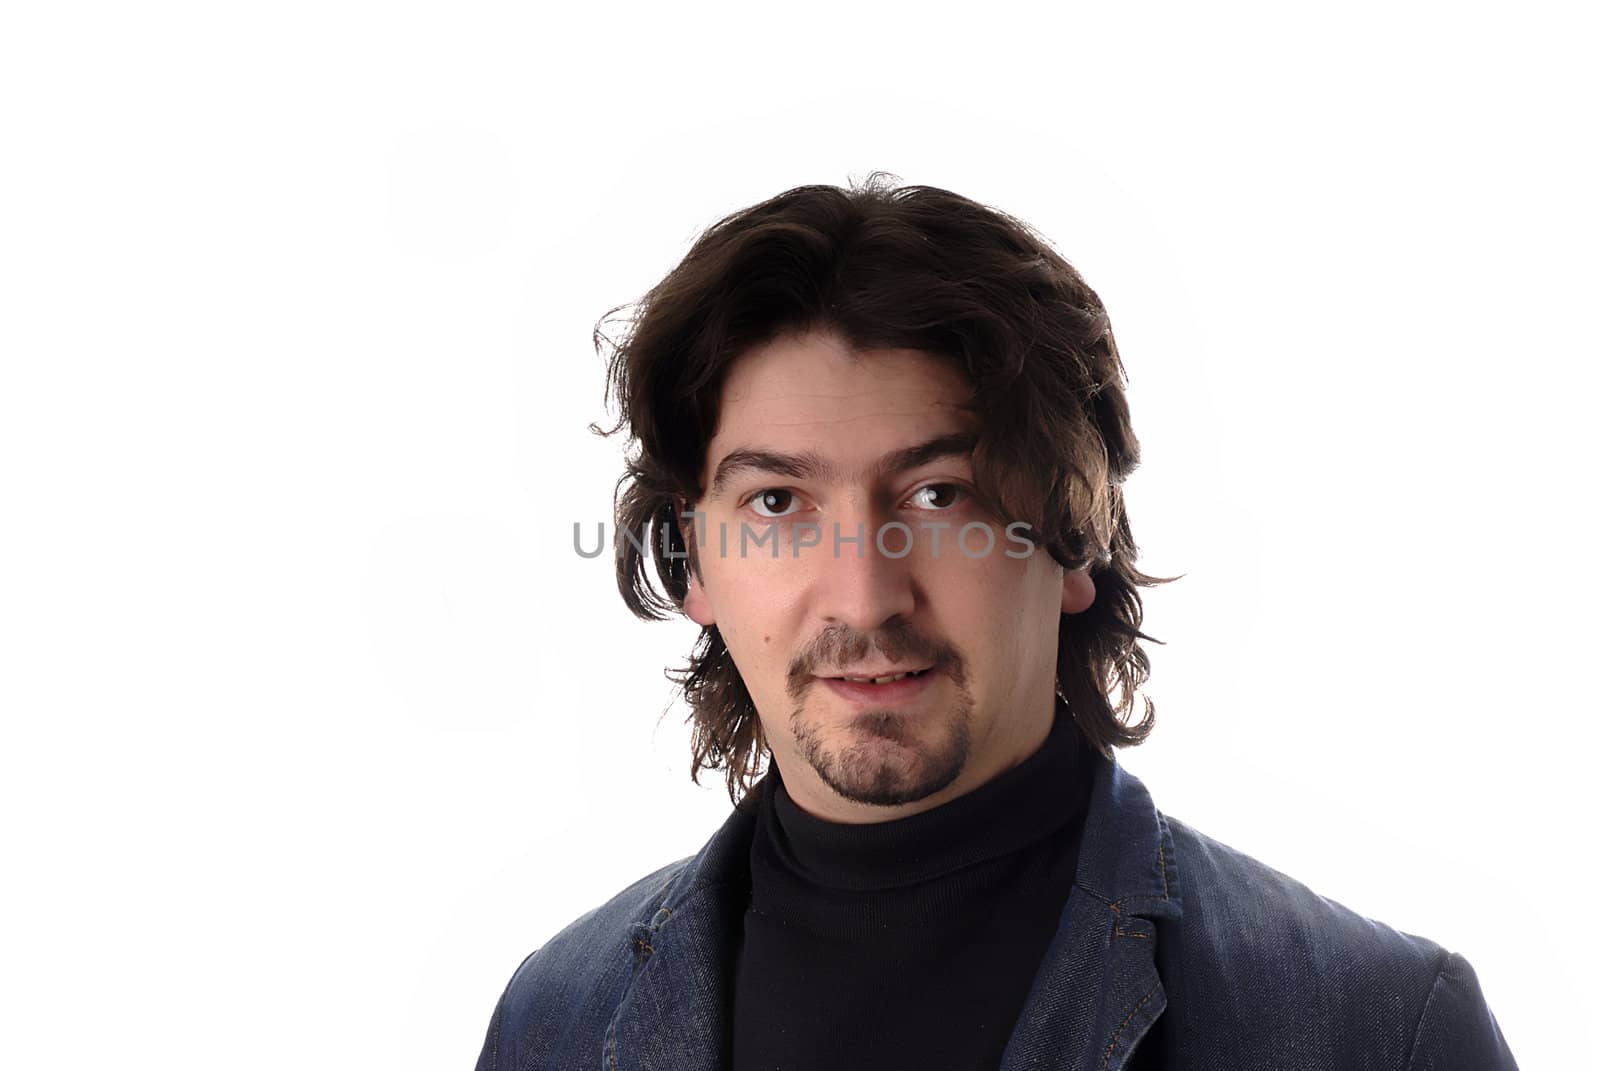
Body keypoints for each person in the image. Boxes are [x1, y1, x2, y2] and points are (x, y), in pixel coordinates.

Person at [472, 176, 1518, 1070]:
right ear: (692, 562)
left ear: (1073, 541)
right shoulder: (557, 1019)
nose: (863, 597)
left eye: (938, 496)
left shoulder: (1372, 1031)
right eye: (778, 504)